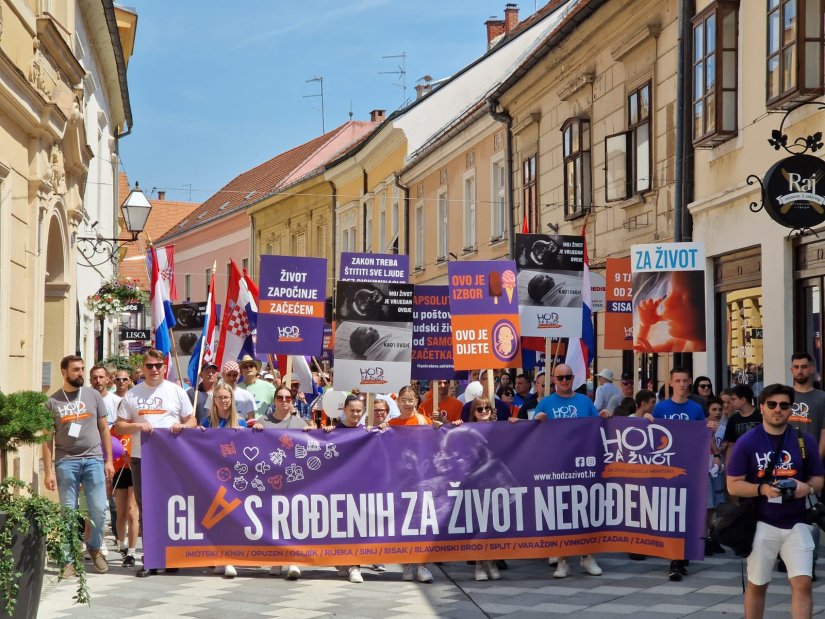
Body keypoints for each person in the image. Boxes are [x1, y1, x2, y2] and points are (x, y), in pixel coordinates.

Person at [727, 383, 824, 619]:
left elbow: (819, 478)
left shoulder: (804, 440)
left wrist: (807, 487)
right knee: (758, 585)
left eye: (783, 405)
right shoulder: (748, 442)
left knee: (802, 583)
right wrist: (762, 489)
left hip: (797, 522)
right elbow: (733, 484)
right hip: (761, 522)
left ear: (791, 410)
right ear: (762, 408)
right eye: (772, 405)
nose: (777, 410)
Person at [114, 349, 196, 577]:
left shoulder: (176, 392)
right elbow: (119, 426)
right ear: (143, 368)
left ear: (164, 366)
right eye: (149, 365)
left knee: (170, 506)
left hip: (170, 459)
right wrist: (137, 427)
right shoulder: (133, 394)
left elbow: (192, 419)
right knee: (146, 508)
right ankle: (150, 558)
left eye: (158, 365)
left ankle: (170, 557)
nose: (154, 369)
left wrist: (183, 426)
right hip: (143, 458)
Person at [42, 355, 114, 576]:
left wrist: (108, 460)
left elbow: (104, 429)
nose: (81, 373)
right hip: (66, 462)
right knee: (68, 512)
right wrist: (48, 471)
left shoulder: (92, 395)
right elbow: (46, 439)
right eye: (75, 370)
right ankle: (68, 559)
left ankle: (94, 548)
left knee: (99, 509)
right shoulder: (52, 402)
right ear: (64, 372)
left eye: (82, 369)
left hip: (93, 459)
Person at [534, 364, 605, 578]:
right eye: (560, 377)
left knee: (585, 509)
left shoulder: (584, 401)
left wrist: (606, 415)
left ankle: (587, 556)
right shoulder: (546, 403)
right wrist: (537, 421)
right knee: (562, 512)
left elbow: (598, 425)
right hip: (557, 466)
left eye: (568, 377)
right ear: (554, 379)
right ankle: (563, 561)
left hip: (583, 464)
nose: (564, 381)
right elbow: (531, 433)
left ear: (573, 378)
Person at [653, 367, 709, 581]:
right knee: (671, 511)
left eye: (685, 380)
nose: (682, 384)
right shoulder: (661, 408)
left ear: (690, 382)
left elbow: (701, 435)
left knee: (687, 511)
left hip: (690, 466)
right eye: (678, 380)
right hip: (667, 466)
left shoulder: (696, 408)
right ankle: (675, 559)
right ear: (671, 382)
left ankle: (683, 554)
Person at [466, 395, 503, 581]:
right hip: (475, 484)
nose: (484, 412)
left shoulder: (498, 428)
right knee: (478, 525)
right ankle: (479, 565)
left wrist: (513, 422)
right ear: (474, 412)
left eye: (487, 408)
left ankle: (492, 562)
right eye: (479, 409)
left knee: (493, 525)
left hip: (494, 483)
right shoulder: (467, 429)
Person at [634, 270, 705, 352]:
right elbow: (639, 351)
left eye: (683, 299)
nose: (665, 302)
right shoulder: (677, 343)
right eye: (668, 293)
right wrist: (645, 326)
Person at [722, 385, 762, 464]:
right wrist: (728, 466)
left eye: (733, 399)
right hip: (740, 460)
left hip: (760, 459)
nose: (731, 402)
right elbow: (731, 445)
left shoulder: (761, 416)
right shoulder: (733, 419)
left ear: (743, 400)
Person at [238, 355, 275, 422]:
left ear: (256, 369)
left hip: (261, 428)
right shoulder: (236, 388)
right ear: (241, 371)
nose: (248, 368)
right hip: (241, 428)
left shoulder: (268, 387)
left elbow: (280, 403)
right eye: (245, 367)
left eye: (251, 366)